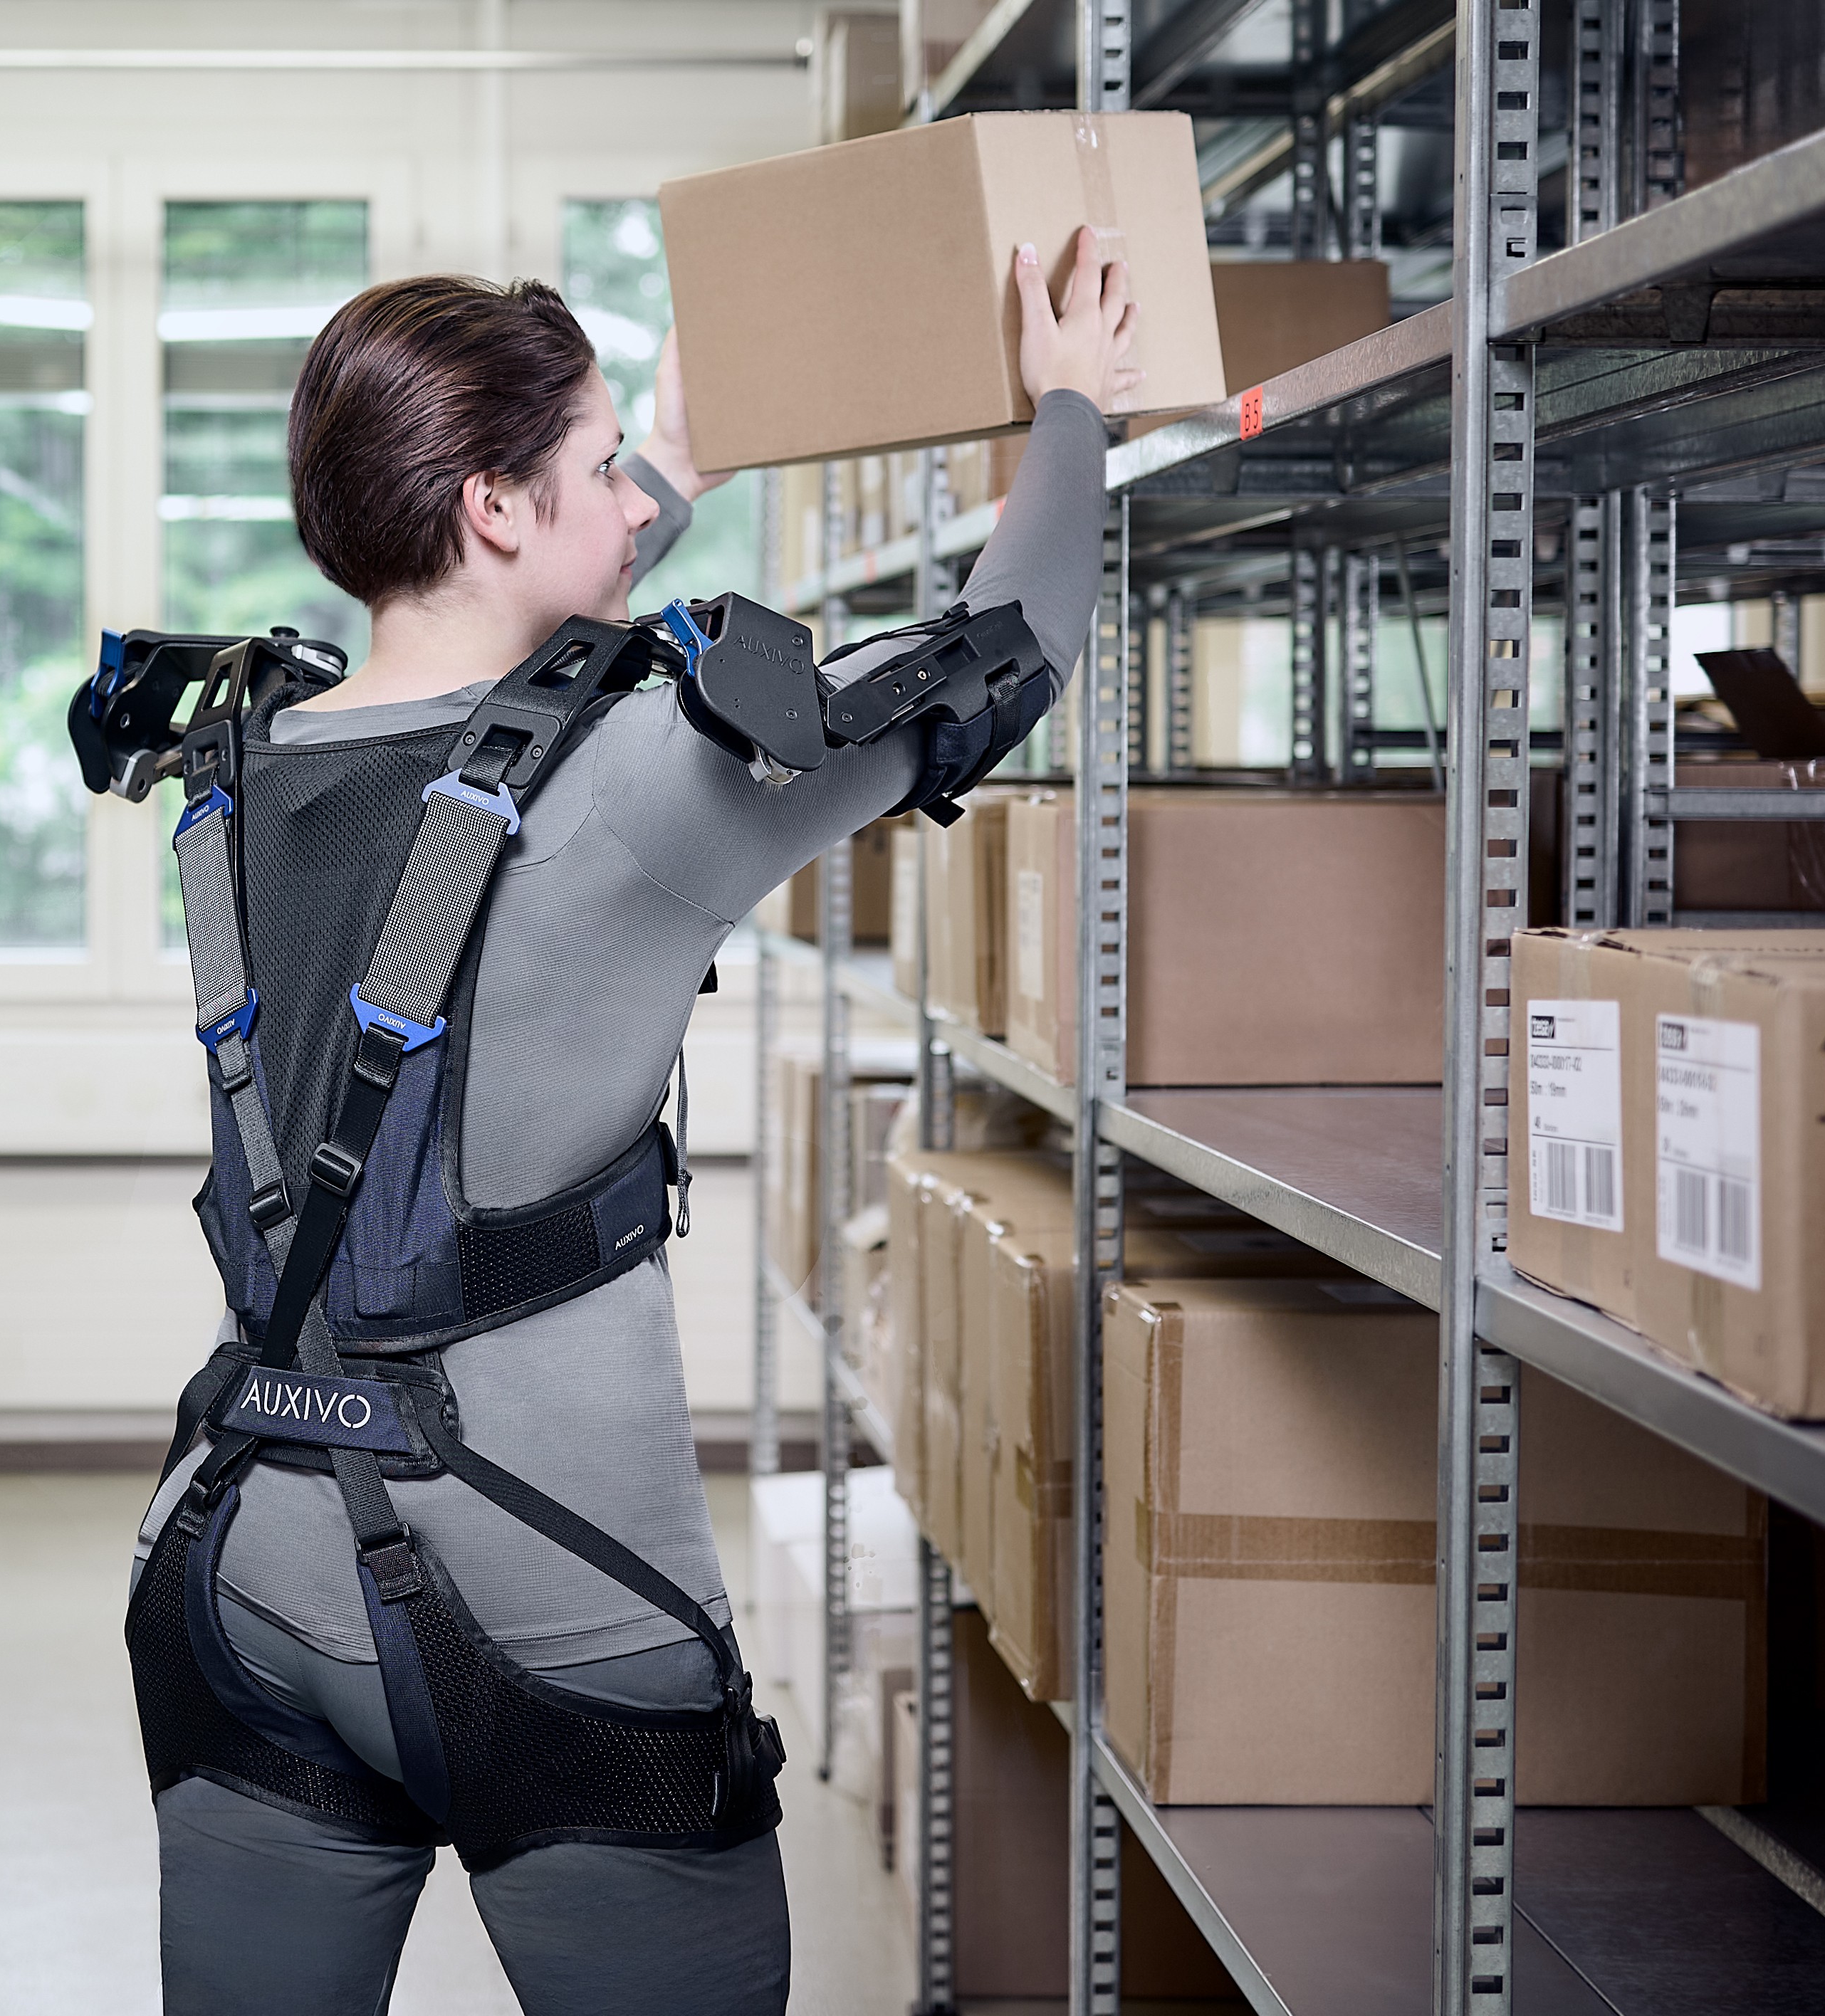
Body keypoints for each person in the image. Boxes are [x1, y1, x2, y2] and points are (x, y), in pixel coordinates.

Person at [127, 226, 1143, 2015]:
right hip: (561, 1609)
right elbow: (1010, 642)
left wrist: (667, 444)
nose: (633, 499)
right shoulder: (643, 789)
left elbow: (489, 651)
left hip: (237, 1575)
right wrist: (1074, 403)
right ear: (495, 505)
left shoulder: (236, 762)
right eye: (603, 471)